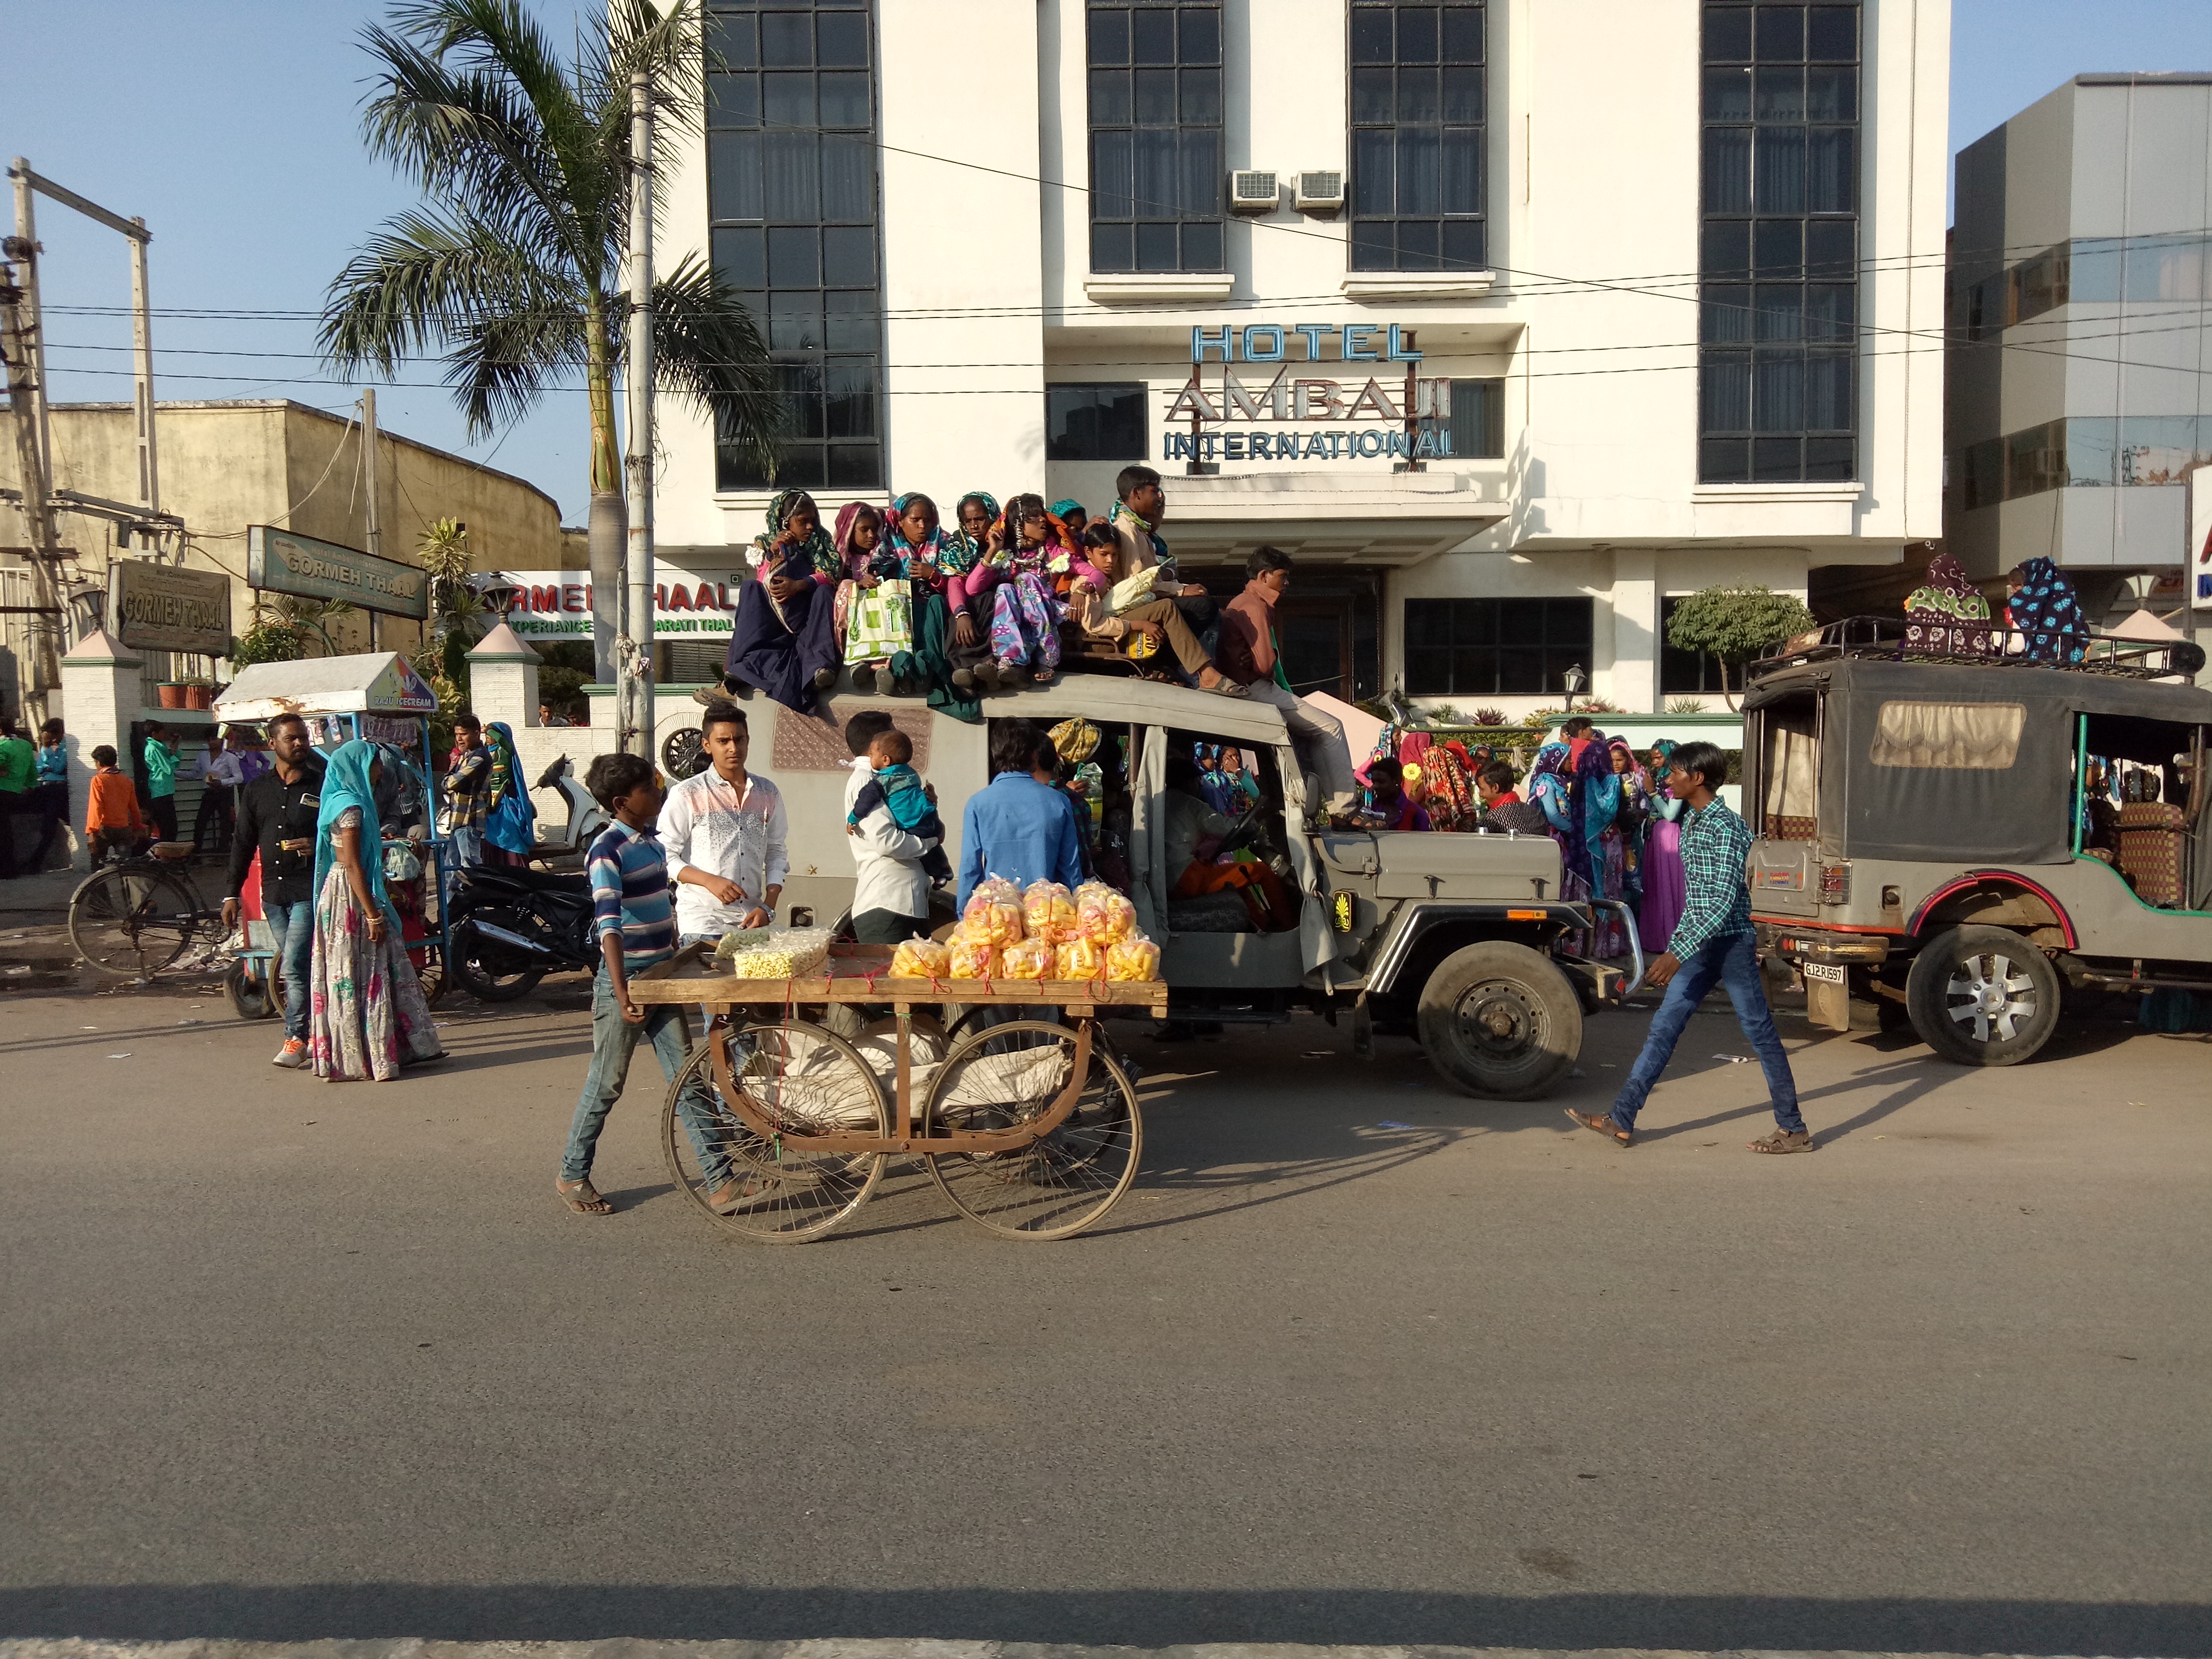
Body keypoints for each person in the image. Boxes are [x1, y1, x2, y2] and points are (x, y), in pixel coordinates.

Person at [1565, 740, 1811, 1154]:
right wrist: (1679, 947)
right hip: (1699, 943)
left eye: (1676, 772)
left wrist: (1677, 952)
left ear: (1697, 778)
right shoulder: (1693, 821)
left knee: (1760, 1033)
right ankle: (1621, 1119)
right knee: (1663, 1028)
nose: (1668, 779)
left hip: (1730, 943)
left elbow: (1721, 902)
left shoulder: (1726, 827)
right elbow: (1696, 900)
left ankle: (1794, 1129)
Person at [559, 751, 743, 1217]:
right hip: (627, 985)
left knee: (687, 1080)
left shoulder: (653, 844)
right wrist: (622, 991)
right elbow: (609, 925)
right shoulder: (607, 850)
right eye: (648, 790)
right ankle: (572, 1174)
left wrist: (677, 954)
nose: (658, 794)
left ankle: (721, 1180)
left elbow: (662, 907)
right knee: (607, 1083)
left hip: (661, 978)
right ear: (622, 802)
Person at [307, 740, 446, 1082]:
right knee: (368, 972)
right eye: (375, 764)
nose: (380, 771)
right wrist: (372, 914)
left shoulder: (338, 800)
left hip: (342, 894)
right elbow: (353, 864)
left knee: (356, 972)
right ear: (358, 766)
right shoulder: (351, 808)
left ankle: (382, 1051)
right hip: (352, 897)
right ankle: (371, 1055)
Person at [223, 714, 329, 1069]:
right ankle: (320, 1033)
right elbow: (242, 843)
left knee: (294, 966)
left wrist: (317, 844)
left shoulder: (322, 785)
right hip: (273, 895)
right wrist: (231, 894)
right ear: (273, 744)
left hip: (308, 889)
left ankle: (296, 1038)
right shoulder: (257, 790)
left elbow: (343, 832)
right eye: (291, 739)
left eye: (303, 738)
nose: (299, 744)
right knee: (302, 965)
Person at [1215, 548, 1358, 806]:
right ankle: (1343, 807)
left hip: (1244, 686)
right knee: (1331, 728)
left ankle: (1326, 804)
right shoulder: (1254, 606)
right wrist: (1262, 664)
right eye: (1283, 576)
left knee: (1313, 734)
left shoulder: (1241, 602)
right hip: (1254, 688)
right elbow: (1265, 664)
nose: (1287, 583)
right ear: (1264, 576)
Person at [1067, 521, 1249, 697]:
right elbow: (1095, 626)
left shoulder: (1111, 575)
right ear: (1088, 552)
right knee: (1165, 608)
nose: (1110, 561)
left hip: (1114, 627)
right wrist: (1138, 624)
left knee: (1170, 607)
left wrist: (1178, 590)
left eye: (1115, 555)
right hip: (1097, 642)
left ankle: (1185, 670)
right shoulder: (1087, 581)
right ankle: (1205, 674)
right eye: (1104, 554)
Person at [658, 705, 786, 949]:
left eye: (739, 740)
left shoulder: (767, 792)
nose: (733, 748)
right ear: (707, 745)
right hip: (704, 922)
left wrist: (768, 906)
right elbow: (663, 855)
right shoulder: (687, 793)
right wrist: (709, 881)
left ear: (748, 741)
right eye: (723, 741)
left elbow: (776, 852)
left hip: (751, 920)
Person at [957, 720, 1082, 909]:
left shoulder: (977, 804)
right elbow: (1070, 868)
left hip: (998, 915)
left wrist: (964, 913)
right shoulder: (1059, 801)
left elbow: (970, 869)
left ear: (995, 754)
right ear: (1034, 755)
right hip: (1047, 914)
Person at [880, 491, 982, 722]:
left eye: (927, 520)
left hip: (936, 613)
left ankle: (930, 666)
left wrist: (933, 575)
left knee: (935, 602)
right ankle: (904, 670)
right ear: (900, 521)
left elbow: (956, 582)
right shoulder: (888, 546)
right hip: (900, 614)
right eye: (915, 520)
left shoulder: (945, 543)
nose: (922, 526)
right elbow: (874, 576)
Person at [1164, 753, 1294, 930]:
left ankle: (1263, 925)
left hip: (1171, 876)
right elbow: (1227, 828)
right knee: (1263, 871)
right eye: (1197, 782)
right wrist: (1257, 817)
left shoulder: (1163, 802)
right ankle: (1287, 927)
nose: (1199, 787)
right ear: (1188, 782)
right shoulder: (1191, 805)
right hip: (1186, 878)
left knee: (1238, 881)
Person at [845, 727, 946, 943]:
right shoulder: (868, 781)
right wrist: (931, 841)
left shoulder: (898, 777)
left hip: (905, 904)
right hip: (888, 904)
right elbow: (887, 842)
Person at [1107, 464, 1215, 637]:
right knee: (1203, 607)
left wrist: (1182, 588)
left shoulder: (1138, 529)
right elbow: (1140, 584)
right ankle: (1172, 653)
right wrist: (1181, 590)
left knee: (1203, 599)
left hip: (1148, 597)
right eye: (1154, 491)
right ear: (1137, 493)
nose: (1159, 497)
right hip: (1133, 606)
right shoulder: (1126, 528)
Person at [982, 493, 1073, 685]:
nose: (1043, 520)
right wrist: (992, 551)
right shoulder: (1006, 555)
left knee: (1026, 579)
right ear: (1018, 524)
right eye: (1034, 517)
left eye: (1042, 515)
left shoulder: (1052, 552)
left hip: (1047, 609)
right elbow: (973, 588)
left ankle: (1046, 658)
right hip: (1017, 613)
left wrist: (1083, 590)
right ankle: (1012, 660)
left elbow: (1090, 573)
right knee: (1005, 588)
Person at [1638, 739, 1690, 954]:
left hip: (1669, 835)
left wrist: (1652, 793)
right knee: (1655, 887)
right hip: (1655, 836)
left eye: (1659, 757)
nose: (1655, 762)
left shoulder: (1675, 779)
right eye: (1653, 758)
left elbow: (1670, 813)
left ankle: (1671, 939)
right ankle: (1655, 939)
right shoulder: (1658, 777)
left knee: (1667, 885)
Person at [480, 720, 537, 867]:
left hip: (506, 800)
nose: (488, 737)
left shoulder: (505, 750)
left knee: (510, 831)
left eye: (491, 735)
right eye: (486, 735)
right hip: (489, 801)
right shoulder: (485, 753)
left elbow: (501, 739)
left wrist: (488, 729)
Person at [443, 713, 492, 868]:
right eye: (457, 734)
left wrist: (447, 782)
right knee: (452, 867)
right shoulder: (465, 755)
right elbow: (448, 780)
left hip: (469, 819)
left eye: (463, 734)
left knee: (470, 866)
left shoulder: (480, 757)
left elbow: (452, 782)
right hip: (458, 819)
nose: (459, 739)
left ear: (477, 734)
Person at [83, 745, 145, 860]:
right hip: (123, 829)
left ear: (99, 763)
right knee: (124, 864)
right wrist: (137, 827)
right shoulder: (127, 781)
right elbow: (134, 807)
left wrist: (92, 832)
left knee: (98, 864)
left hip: (104, 829)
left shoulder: (98, 780)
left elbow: (96, 807)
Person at [28, 718, 69, 872]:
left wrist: (48, 762)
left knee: (50, 826)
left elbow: (58, 768)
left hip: (58, 789)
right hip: (46, 787)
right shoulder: (46, 748)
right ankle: (35, 862)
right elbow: (39, 768)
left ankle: (35, 863)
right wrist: (46, 755)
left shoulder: (65, 748)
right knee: (48, 825)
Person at [1478, 758, 1551, 835]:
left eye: (1482, 789)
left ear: (1495, 788)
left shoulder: (1494, 818)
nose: (1480, 794)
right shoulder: (1535, 813)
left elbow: (1479, 840)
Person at [0, 716, 31, 879]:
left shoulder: (3, 745)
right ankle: (10, 869)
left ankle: (6, 869)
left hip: (2, 791)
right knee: (5, 832)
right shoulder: (25, 745)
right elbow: (32, 771)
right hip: (18, 792)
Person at [141, 719, 180, 843]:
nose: (164, 735)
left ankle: (169, 849)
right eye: (162, 732)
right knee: (167, 826)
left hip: (166, 790)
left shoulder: (160, 747)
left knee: (171, 826)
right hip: (160, 791)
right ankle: (166, 850)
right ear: (154, 733)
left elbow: (171, 759)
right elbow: (168, 768)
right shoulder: (153, 748)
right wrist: (173, 755)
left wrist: (174, 747)